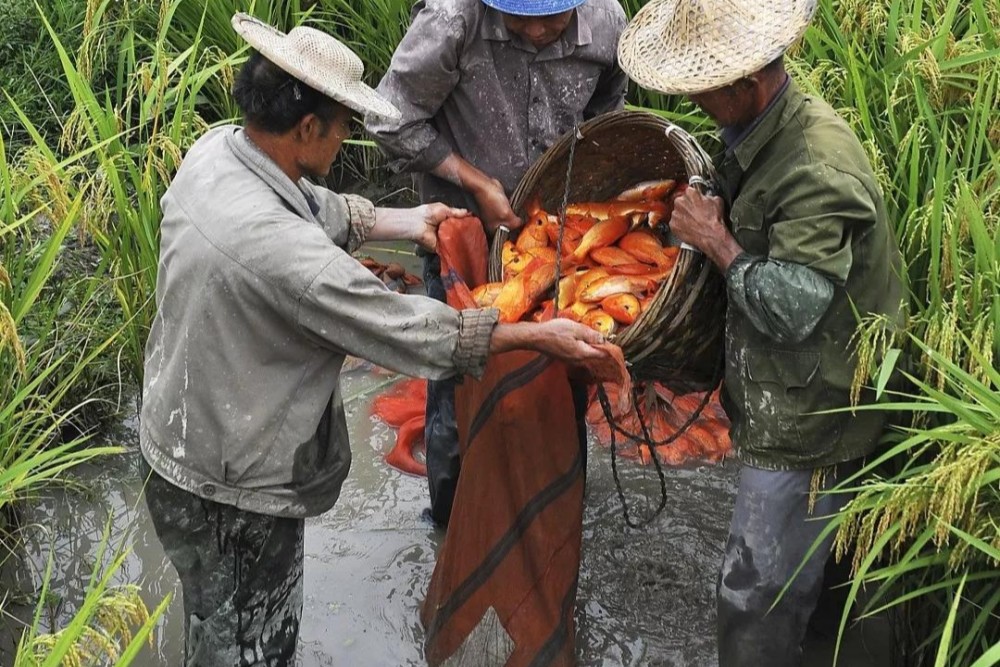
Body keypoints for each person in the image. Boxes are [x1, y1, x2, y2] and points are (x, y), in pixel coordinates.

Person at [139, 14, 610, 667]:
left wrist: (409, 220)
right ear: (307, 128)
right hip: (231, 488)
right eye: (339, 129)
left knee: (212, 620)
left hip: (176, 442)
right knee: (251, 646)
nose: (343, 143)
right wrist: (542, 336)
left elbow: (310, 205)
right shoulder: (292, 261)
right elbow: (411, 329)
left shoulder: (218, 153)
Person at [617, 1, 904, 665]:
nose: (694, 101)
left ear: (745, 83)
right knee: (822, 586)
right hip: (785, 391)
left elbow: (794, 308)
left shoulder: (813, 166)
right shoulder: (760, 134)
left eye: (702, 91)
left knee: (755, 595)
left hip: (813, 412)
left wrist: (715, 240)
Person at [366, 0, 628, 527]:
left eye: (550, 19)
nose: (534, 30)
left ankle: (552, 517)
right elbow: (388, 119)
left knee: (562, 375)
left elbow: (607, 115)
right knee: (457, 382)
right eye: (519, 16)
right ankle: (454, 522)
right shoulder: (451, 21)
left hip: (558, 243)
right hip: (462, 237)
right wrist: (477, 182)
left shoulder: (607, 23)